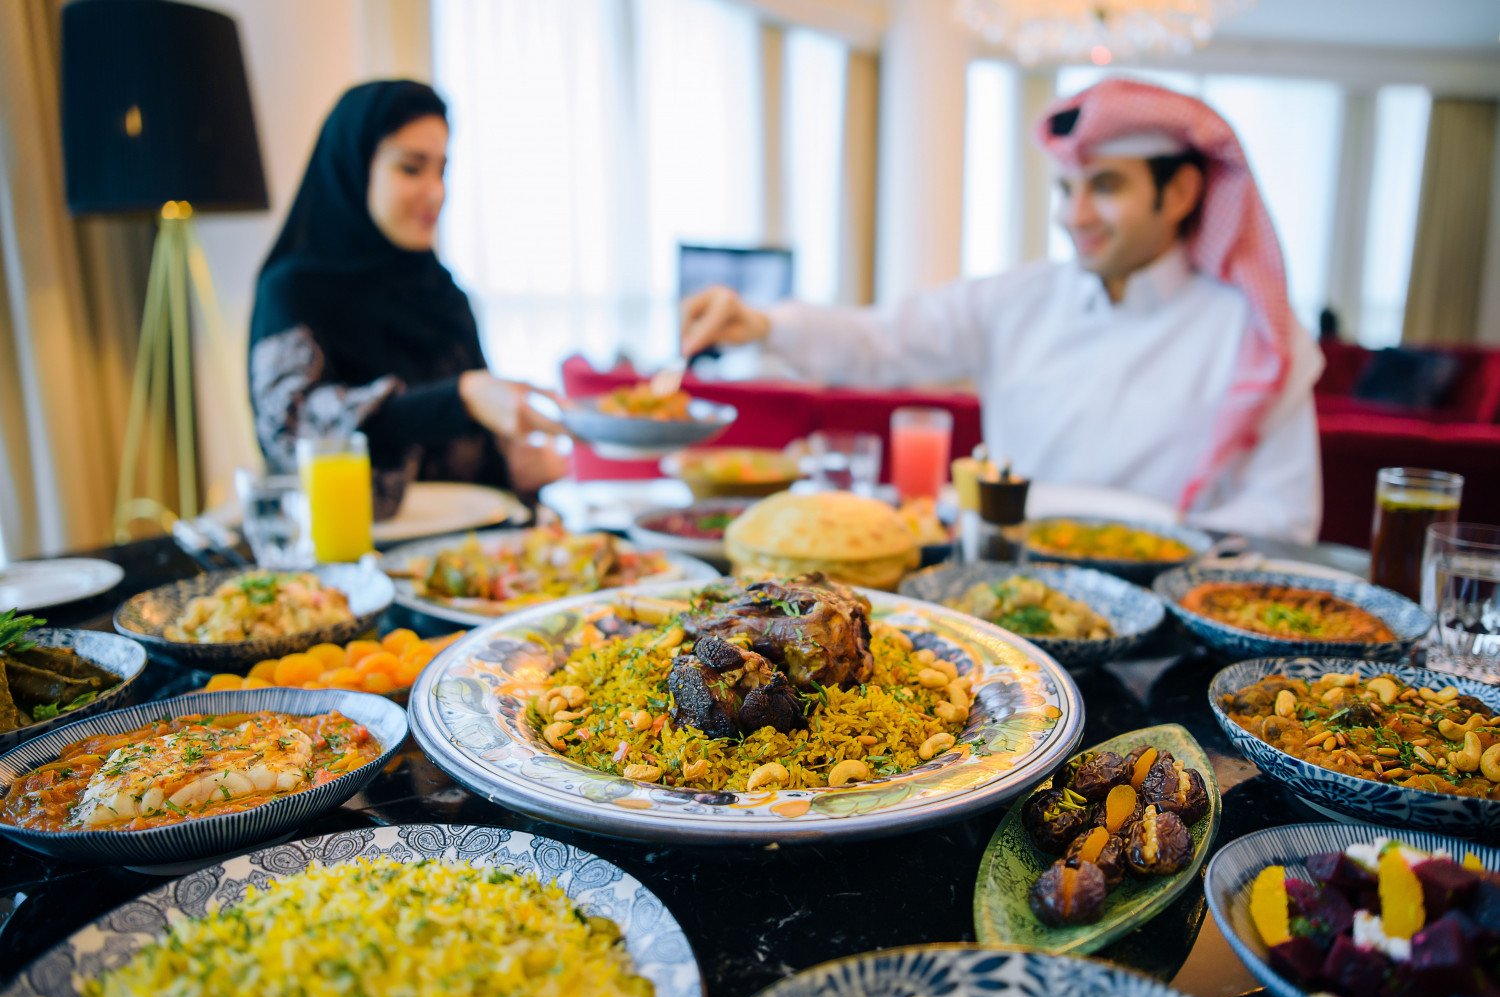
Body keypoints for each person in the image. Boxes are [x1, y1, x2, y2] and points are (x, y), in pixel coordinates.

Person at [681, 79, 1324, 544]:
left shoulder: (1255, 336)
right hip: (1003, 602)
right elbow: (883, 341)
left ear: (1180, 190)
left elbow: (1282, 518)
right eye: (1067, 189)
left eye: (1105, 186)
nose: (1074, 217)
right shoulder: (1018, 298)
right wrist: (765, 324)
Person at [249, 80, 568, 516]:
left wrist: (516, 464)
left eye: (442, 170)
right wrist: (461, 399)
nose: (436, 192)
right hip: (355, 559)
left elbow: (470, 455)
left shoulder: (442, 291)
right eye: (412, 168)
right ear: (356, 166)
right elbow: (296, 431)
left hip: (474, 552)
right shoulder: (293, 290)